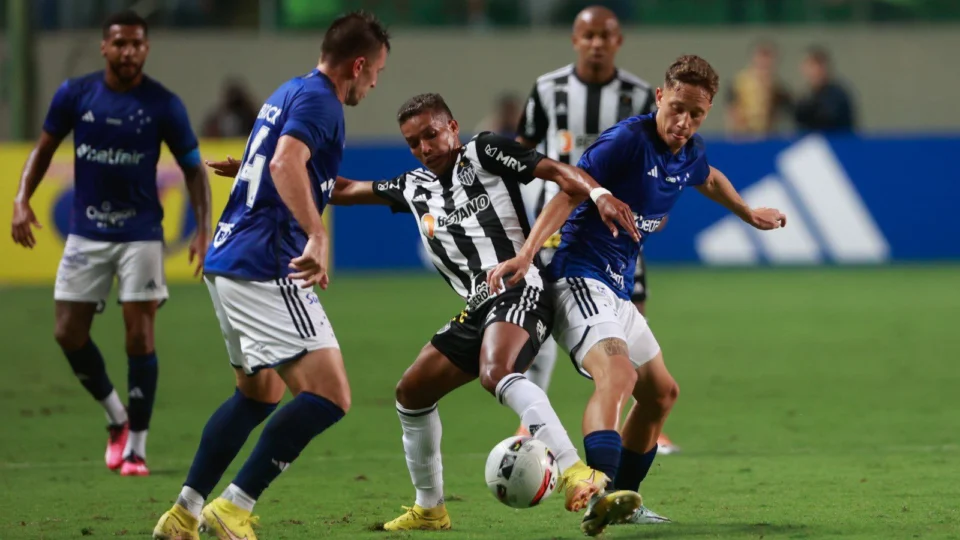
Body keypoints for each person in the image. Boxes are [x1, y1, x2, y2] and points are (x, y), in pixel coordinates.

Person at [207, 92, 642, 537]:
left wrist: (599, 193)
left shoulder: (485, 151)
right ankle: (430, 508)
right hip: (478, 306)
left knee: (496, 372)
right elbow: (340, 188)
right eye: (414, 142)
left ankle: (575, 473)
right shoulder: (412, 186)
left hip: (519, 288)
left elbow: (558, 172)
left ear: (452, 127)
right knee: (411, 392)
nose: (425, 148)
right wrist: (252, 169)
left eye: (431, 135)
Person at [490, 55, 787, 527]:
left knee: (661, 395)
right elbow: (569, 189)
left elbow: (707, 177)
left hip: (617, 288)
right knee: (619, 376)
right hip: (579, 278)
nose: (684, 122)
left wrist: (747, 212)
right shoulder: (628, 141)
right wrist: (527, 256)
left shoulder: (689, 151)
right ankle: (596, 488)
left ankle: (624, 500)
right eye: (679, 108)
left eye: (697, 114)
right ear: (660, 96)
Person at [152, 11, 390, 540]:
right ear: (357, 65)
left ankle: (184, 513)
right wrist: (318, 235)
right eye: (375, 73)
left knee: (257, 393)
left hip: (229, 260)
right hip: (266, 262)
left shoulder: (289, 90)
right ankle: (233, 507)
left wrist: (390, 190)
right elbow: (285, 165)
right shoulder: (323, 101)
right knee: (330, 395)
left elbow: (287, 167)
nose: (374, 84)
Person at [10, 10, 210, 477]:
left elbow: (194, 169)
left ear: (146, 48)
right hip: (86, 232)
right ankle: (116, 417)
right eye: (120, 43)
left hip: (140, 234)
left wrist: (202, 229)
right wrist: (22, 200)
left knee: (139, 334)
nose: (128, 51)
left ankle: (137, 446)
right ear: (105, 47)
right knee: (67, 333)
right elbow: (42, 149)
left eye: (137, 44)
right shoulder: (75, 94)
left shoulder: (163, 104)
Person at [514, 4, 679, 456]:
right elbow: (523, 153)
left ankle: (638, 422)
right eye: (588, 36)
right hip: (557, 223)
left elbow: (661, 157)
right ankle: (532, 424)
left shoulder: (642, 95)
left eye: (605, 36)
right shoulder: (548, 90)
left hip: (620, 225)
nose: (596, 44)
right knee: (542, 316)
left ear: (618, 41)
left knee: (633, 310)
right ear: (575, 39)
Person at [793, 46, 855, 133]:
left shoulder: (837, 95)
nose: (815, 71)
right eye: (811, 66)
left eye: (818, 66)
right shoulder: (805, 96)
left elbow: (826, 119)